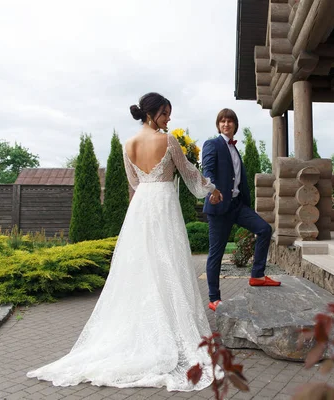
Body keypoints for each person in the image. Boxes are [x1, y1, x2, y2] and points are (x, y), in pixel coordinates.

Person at [27, 92, 223, 392]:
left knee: (141, 268)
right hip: (163, 206)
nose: (169, 119)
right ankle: (168, 331)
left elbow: (134, 184)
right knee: (168, 263)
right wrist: (211, 189)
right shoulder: (169, 141)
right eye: (165, 113)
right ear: (152, 114)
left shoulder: (127, 145)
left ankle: (146, 327)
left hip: (141, 207)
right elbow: (189, 175)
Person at [202, 108, 280, 312]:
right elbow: (207, 169)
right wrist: (212, 189)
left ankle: (257, 275)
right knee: (216, 254)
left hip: (237, 205)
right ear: (218, 125)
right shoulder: (213, 144)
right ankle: (214, 298)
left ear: (235, 125)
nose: (226, 124)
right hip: (219, 206)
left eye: (229, 121)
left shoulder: (234, 149)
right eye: (222, 121)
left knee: (264, 229)